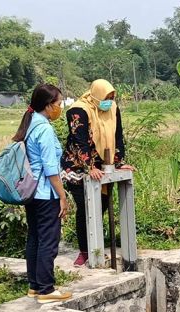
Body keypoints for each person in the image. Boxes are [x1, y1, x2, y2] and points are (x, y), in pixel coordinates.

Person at [61, 79, 134, 267]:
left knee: (99, 208)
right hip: (78, 167)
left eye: (112, 97)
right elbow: (79, 140)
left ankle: (97, 248)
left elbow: (118, 136)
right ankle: (85, 251)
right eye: (106, 97)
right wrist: (89, 167)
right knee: (84, 209)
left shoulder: (112, 108)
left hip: (103, 165)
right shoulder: (79, 110)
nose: (109, 101)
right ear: (96, 94)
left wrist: (119, 162)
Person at [13, 83, 72, 303]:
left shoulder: (30, 125)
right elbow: (51, 169)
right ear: (48, 106)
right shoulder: (45, 129)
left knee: (35, 238)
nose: (59, 108)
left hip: (31, 193)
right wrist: (63, 196)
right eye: (58, 103)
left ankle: (35, 285)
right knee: (48, 240)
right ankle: (46, 289)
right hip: (46, 194)